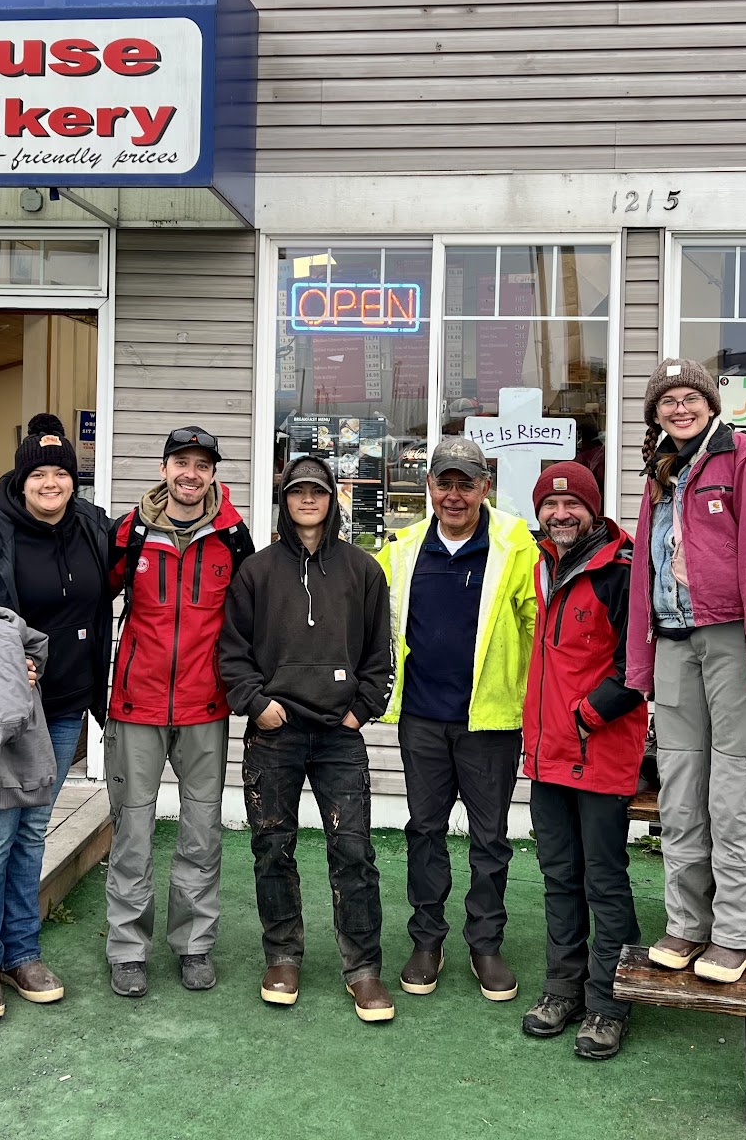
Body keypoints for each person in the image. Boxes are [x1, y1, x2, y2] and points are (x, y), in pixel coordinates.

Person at [0, 413, 113, 1022]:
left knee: (32, 831)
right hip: (8, 714)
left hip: (65, 707)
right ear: (21, 479)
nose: (50, 483)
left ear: (73, 480)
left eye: (61, 473)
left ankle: (21, 952)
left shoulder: (91, 526)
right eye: (39, 474)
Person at [627, 359, 746, 985]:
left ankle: (737, 933)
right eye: (667, 400)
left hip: (736, 645)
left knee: (731, 792)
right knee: (679, 790)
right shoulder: (661, 473)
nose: (680, 409)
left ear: (710, 403)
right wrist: (640, 661)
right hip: (675, 643)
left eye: (689, 397)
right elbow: (646, 573)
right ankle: (687, 923)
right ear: (656, 413)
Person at [218, 454, 397, 1022]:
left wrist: (361, 711)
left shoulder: (363, 570)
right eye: (297, 492)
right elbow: (232, 652)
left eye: (317, 491)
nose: (308, 500)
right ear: (285, 501)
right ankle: (282, 956)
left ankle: (363, 968)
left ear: (331, 499)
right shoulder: (257, 571)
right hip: (275, 731)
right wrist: (256, 704)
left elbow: (381, 651)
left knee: (353, 850)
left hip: (339, 734)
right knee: (273, 847)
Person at [375, 434, 538, 1002]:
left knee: (490, 839)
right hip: (421, 717)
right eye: (444, 482)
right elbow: (371, 621)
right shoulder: (402, 549)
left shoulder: (515, 547)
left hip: (490, 722)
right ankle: (427, 941)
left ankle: (485, 944)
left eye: (465, 484)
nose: (454, 495)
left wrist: (535, 702)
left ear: (484, 488)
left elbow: (538, 628)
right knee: (425, 831)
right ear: (428, 487)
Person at [102, 423, 253, 999]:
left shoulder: (232, 538)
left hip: (204, 705)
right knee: (132, 831)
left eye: (202, 466)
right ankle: (127, 950)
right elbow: (89, 597)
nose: (191, 475)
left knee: (200, 832)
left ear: (213, 475)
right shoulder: (130, 532)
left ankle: (194, 945)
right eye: (181, 464)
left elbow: (251, 619)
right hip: (135, 704)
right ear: (163, 469)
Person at [519, 461, 645, 1060]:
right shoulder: (544, 565)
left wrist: (588, 714)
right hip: (549, 754)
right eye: (550, 504)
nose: (560, 514)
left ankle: (610, 1003)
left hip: (599, 750)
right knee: (559, 877)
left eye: (572, 505)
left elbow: (638, 665)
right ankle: (563, 989)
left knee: (604, 882)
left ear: (593, 511)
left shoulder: (620, 570)